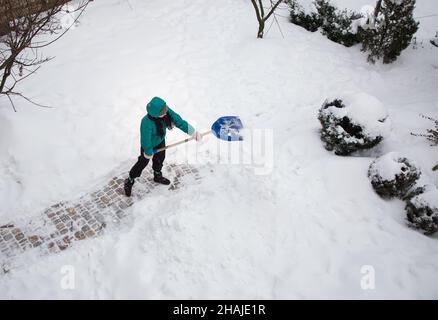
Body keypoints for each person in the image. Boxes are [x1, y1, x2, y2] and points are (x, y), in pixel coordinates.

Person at [124, 96, 202, 197]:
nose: (165, 113)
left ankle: (157, 175)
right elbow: (145, 139)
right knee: (142, 163)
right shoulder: (146, 122)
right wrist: (148, 151)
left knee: (160, 159)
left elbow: (179, 121)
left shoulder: (165, 110)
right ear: (155, 114)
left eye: (165, 110)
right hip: (148, 146)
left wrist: (193, 132)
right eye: (162, 113)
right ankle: (130, 180)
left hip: (160, 140)